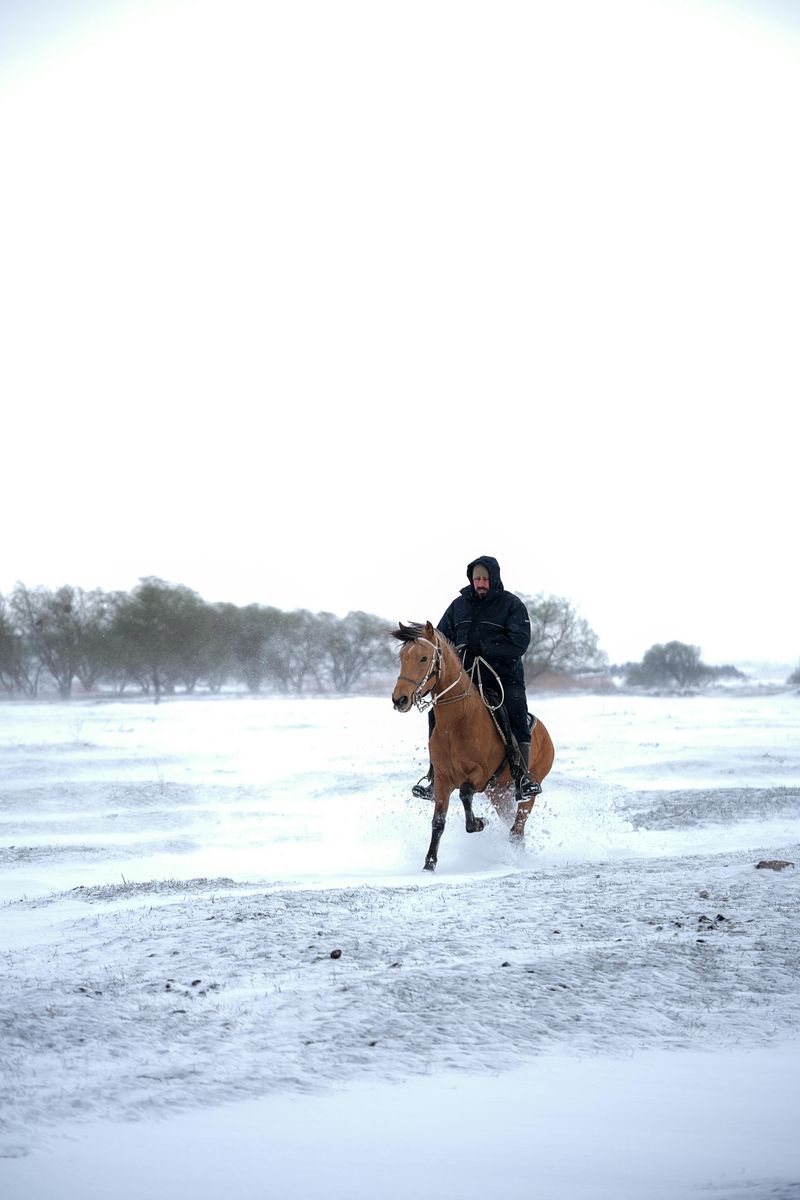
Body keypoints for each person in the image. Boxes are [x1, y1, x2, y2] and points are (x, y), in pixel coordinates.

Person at [412, 555, 539, 800]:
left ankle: (522, 776)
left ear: (494, 578)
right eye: (476, 578)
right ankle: (434, 776)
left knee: (515, 709)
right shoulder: (458, 605)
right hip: (466, 678)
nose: (480, 583)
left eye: (484, 579)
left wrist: (485, 646)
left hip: (503, 677)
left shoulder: (511, 605)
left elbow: (519, 643)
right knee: (435, 710)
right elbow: (440, 639)